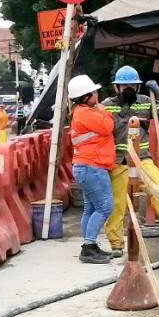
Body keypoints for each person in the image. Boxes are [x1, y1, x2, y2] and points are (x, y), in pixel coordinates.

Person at [101, 65, 159, 256]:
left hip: (142, 159)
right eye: (124, 86)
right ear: (116, 87)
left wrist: (158, 92)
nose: (128, 89)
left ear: (138, 87)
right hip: (119, 161)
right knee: (116, 204)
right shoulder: (107, 105)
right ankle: (116, 244)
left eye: (132, 86)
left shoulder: (145, 102)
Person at [68, 74, 116, 265]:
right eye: (94, 92)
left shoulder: (80, 112)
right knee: (105, 207)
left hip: (85, 167)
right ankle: (88, 247)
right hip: (92, 167)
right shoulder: (86, 113)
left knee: (91, 208)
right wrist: (104, 110)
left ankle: (90, 245)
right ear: (86, 96)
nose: (97, 94)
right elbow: (108, 126)